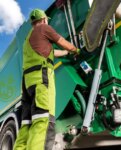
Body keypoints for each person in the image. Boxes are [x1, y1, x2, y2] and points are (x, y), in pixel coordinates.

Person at [13, 9, 79, 150]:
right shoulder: (44, 28)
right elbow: (61, 42)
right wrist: (75, 50)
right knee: (43, 121)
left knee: (27, 124)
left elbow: (53, 52)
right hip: (41, 80)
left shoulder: (28, 39)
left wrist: (66, 53)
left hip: (27, 84)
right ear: (43, 19)